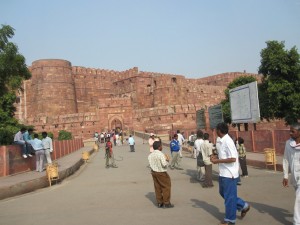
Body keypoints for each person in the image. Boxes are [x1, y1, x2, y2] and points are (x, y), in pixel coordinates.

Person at [211, 122, 250, 225]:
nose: (215, 131)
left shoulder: (228, 141)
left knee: (229, 198)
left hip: (230, 174)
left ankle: (230, 219)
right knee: (223, 193)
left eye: (216, 130)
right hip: (223, 172)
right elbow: (222, 154)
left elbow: (233, 158)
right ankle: (243, 205)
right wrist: (215, 157)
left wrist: (217, 161)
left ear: (219, 131)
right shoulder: (220, 140)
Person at [283, 123, 300, 225]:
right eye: (290, 131)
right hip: (294, 176)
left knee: (298, 200)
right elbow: (285, 159)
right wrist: (285, 176)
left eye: (292, 131)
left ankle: (296, 222)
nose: (290, 133)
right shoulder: (288, 143)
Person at [148, 140, 174, 208]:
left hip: (154, 172)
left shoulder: (150, 155)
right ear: (159, 147)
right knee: (166, 186)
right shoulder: (161, 154)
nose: (162, 147)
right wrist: (167, 160)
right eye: (161, 146)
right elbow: (164, 164)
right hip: (161, 172)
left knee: (157, 187)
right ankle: (166, 202)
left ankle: (159, 202)